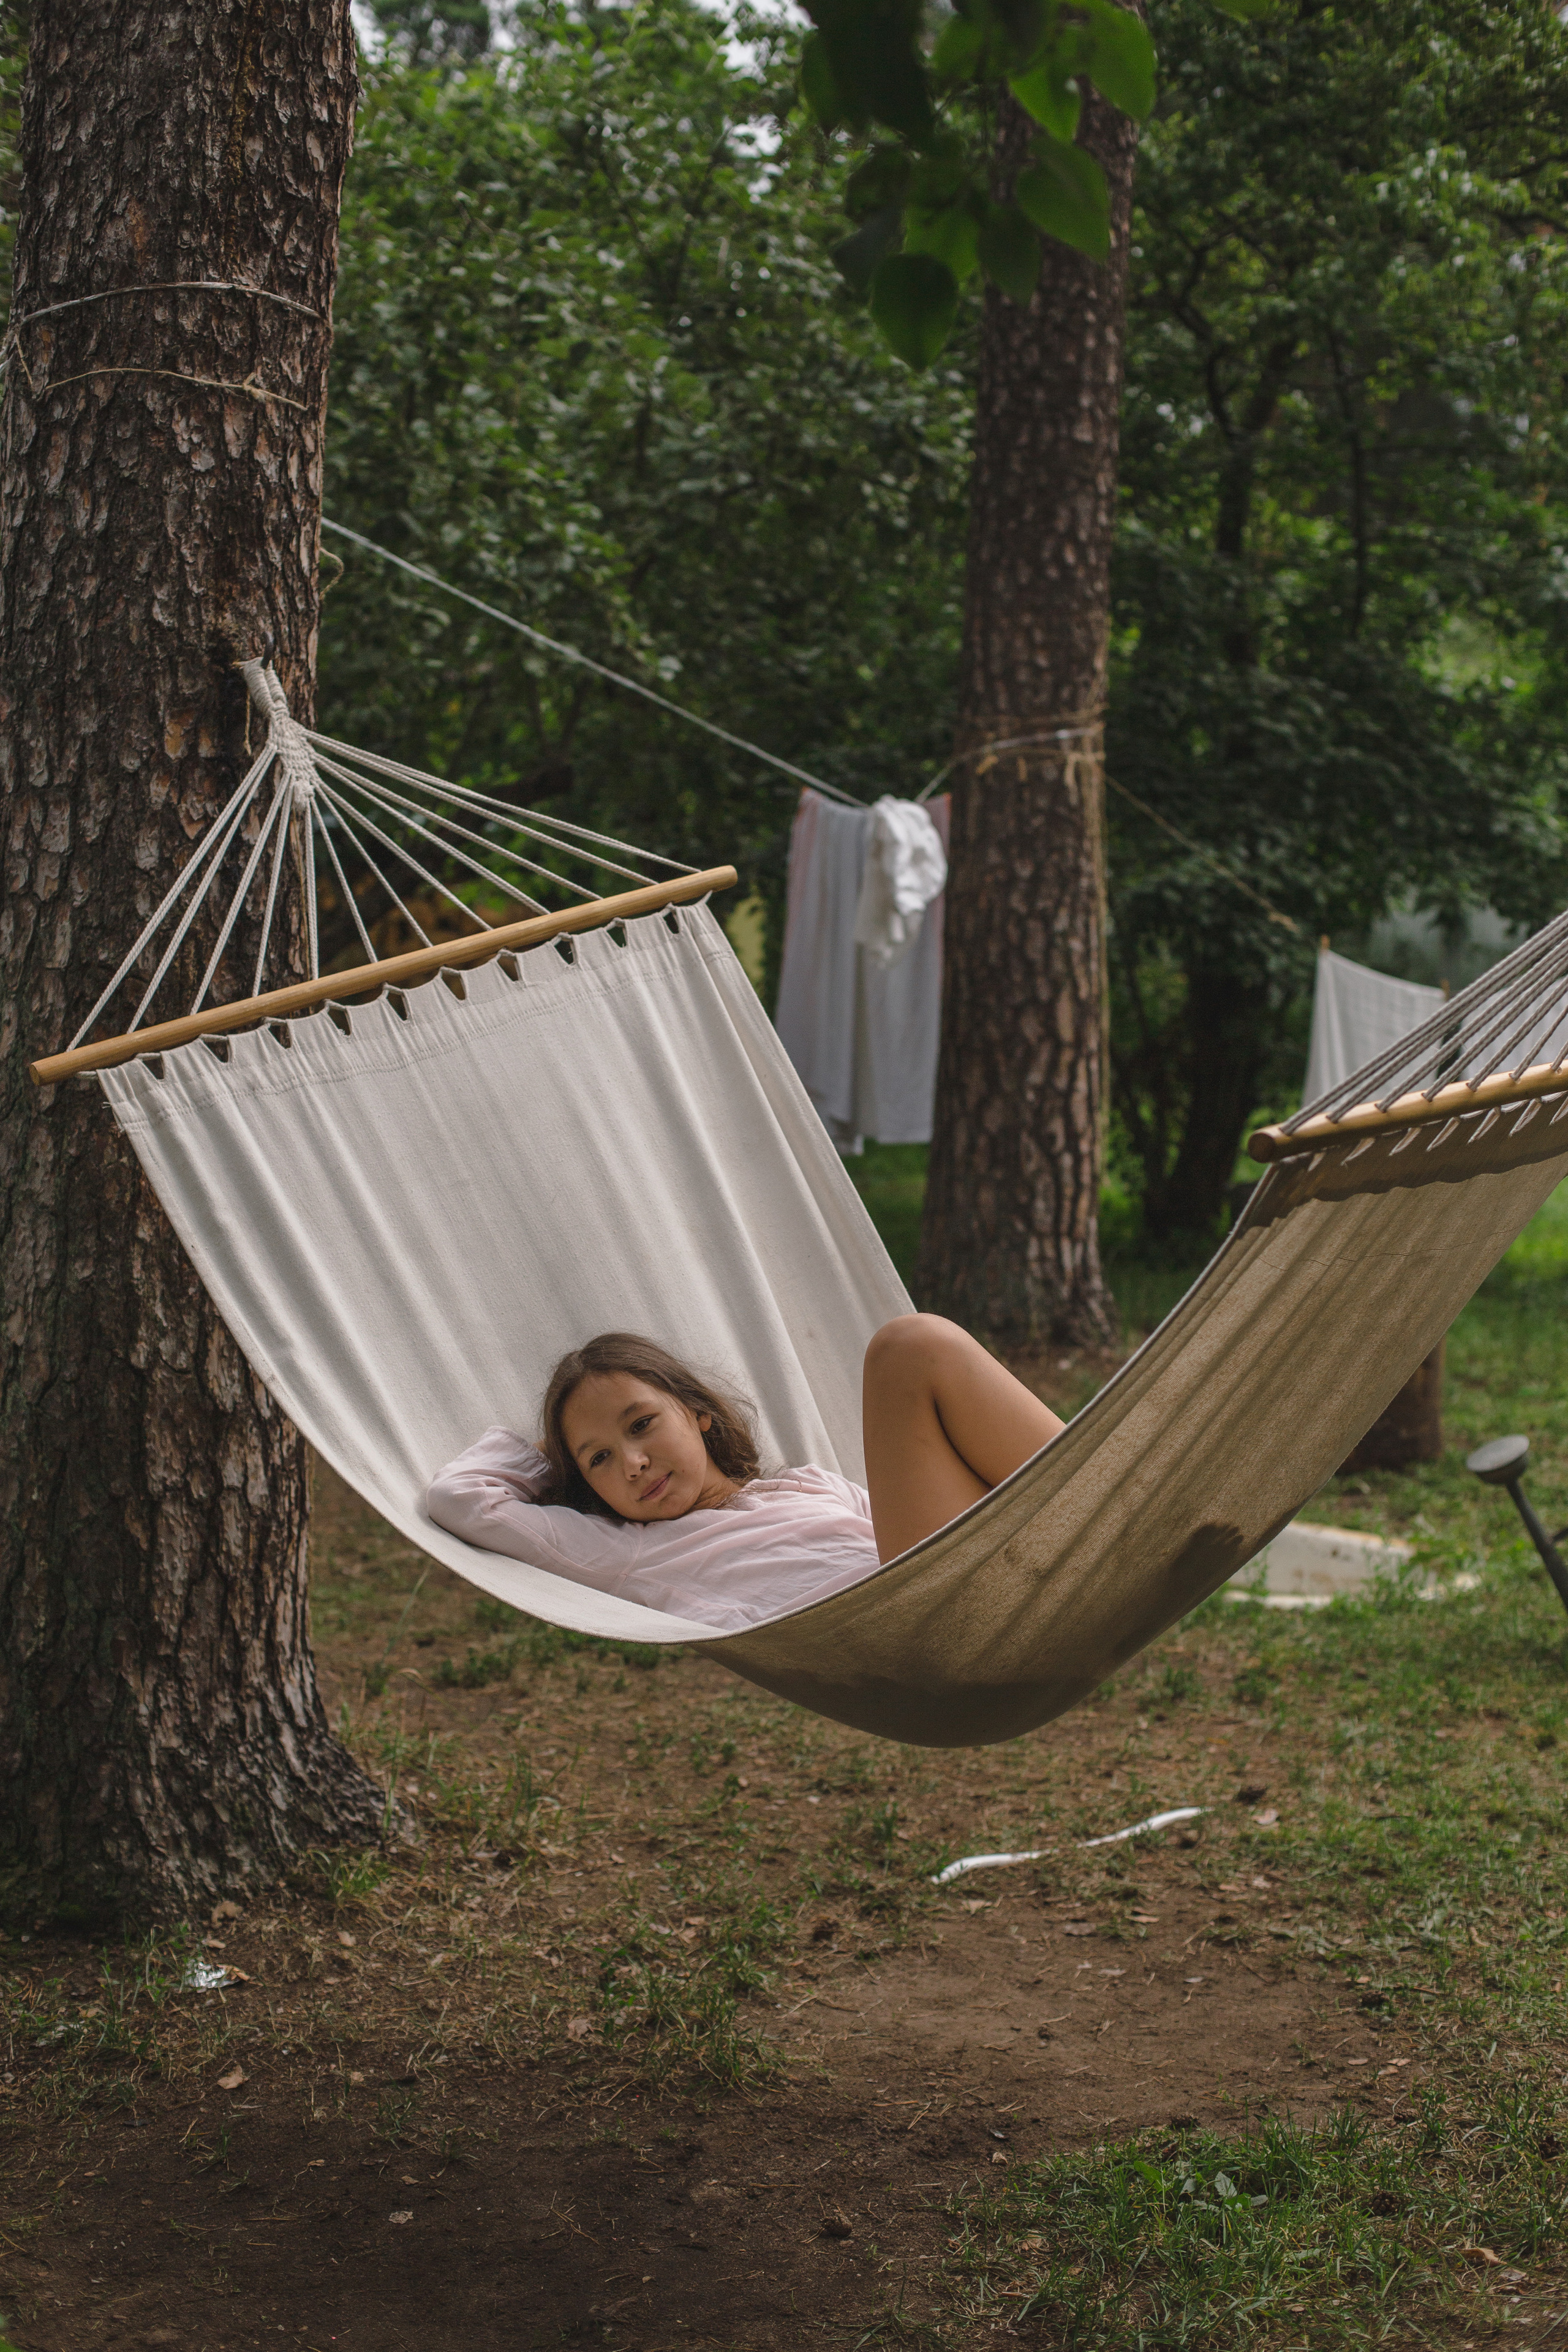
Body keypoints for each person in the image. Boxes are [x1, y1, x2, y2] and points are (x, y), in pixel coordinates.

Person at [424, 1317, 1063, 1635]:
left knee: (919, 1347)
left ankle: (1098, 1501)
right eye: (600, 1460)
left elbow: (914, 1524)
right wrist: (554, 1456)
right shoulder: (629, 1552)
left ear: (698, 1412)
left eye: (641, 1424)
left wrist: (583, 1450)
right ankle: (1100, 1495)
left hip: (995, 1580)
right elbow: (461, 1498)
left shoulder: (808, 1485)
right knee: (912, 1348)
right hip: (915, 1625)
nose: (633, 1463)